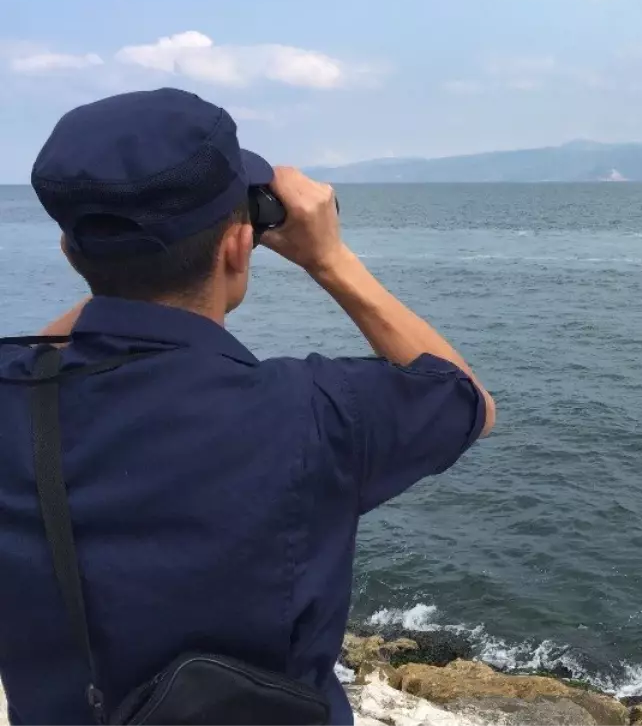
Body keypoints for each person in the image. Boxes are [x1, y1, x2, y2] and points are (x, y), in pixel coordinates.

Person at [0, 88, 496, 726]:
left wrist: (112, 278)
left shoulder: (15, 401)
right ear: (240, 245)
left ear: (70, 252)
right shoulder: (316, 413)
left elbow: (44, 356)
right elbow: (469, 401)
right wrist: (330, 260)